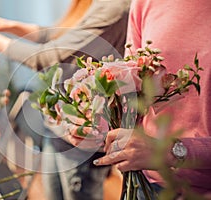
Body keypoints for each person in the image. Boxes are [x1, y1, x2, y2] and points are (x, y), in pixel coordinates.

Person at [0, 0, 130, 199]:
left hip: (83, 135)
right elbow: (59, 36)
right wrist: (7, 26)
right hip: (59, 126)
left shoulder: (116, 7)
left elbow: (47, 57)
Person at [74, 0, 211, 198]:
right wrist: (96, 123)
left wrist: (172, 151)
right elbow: (133, 92)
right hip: (149, 185)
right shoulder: (144, 3)